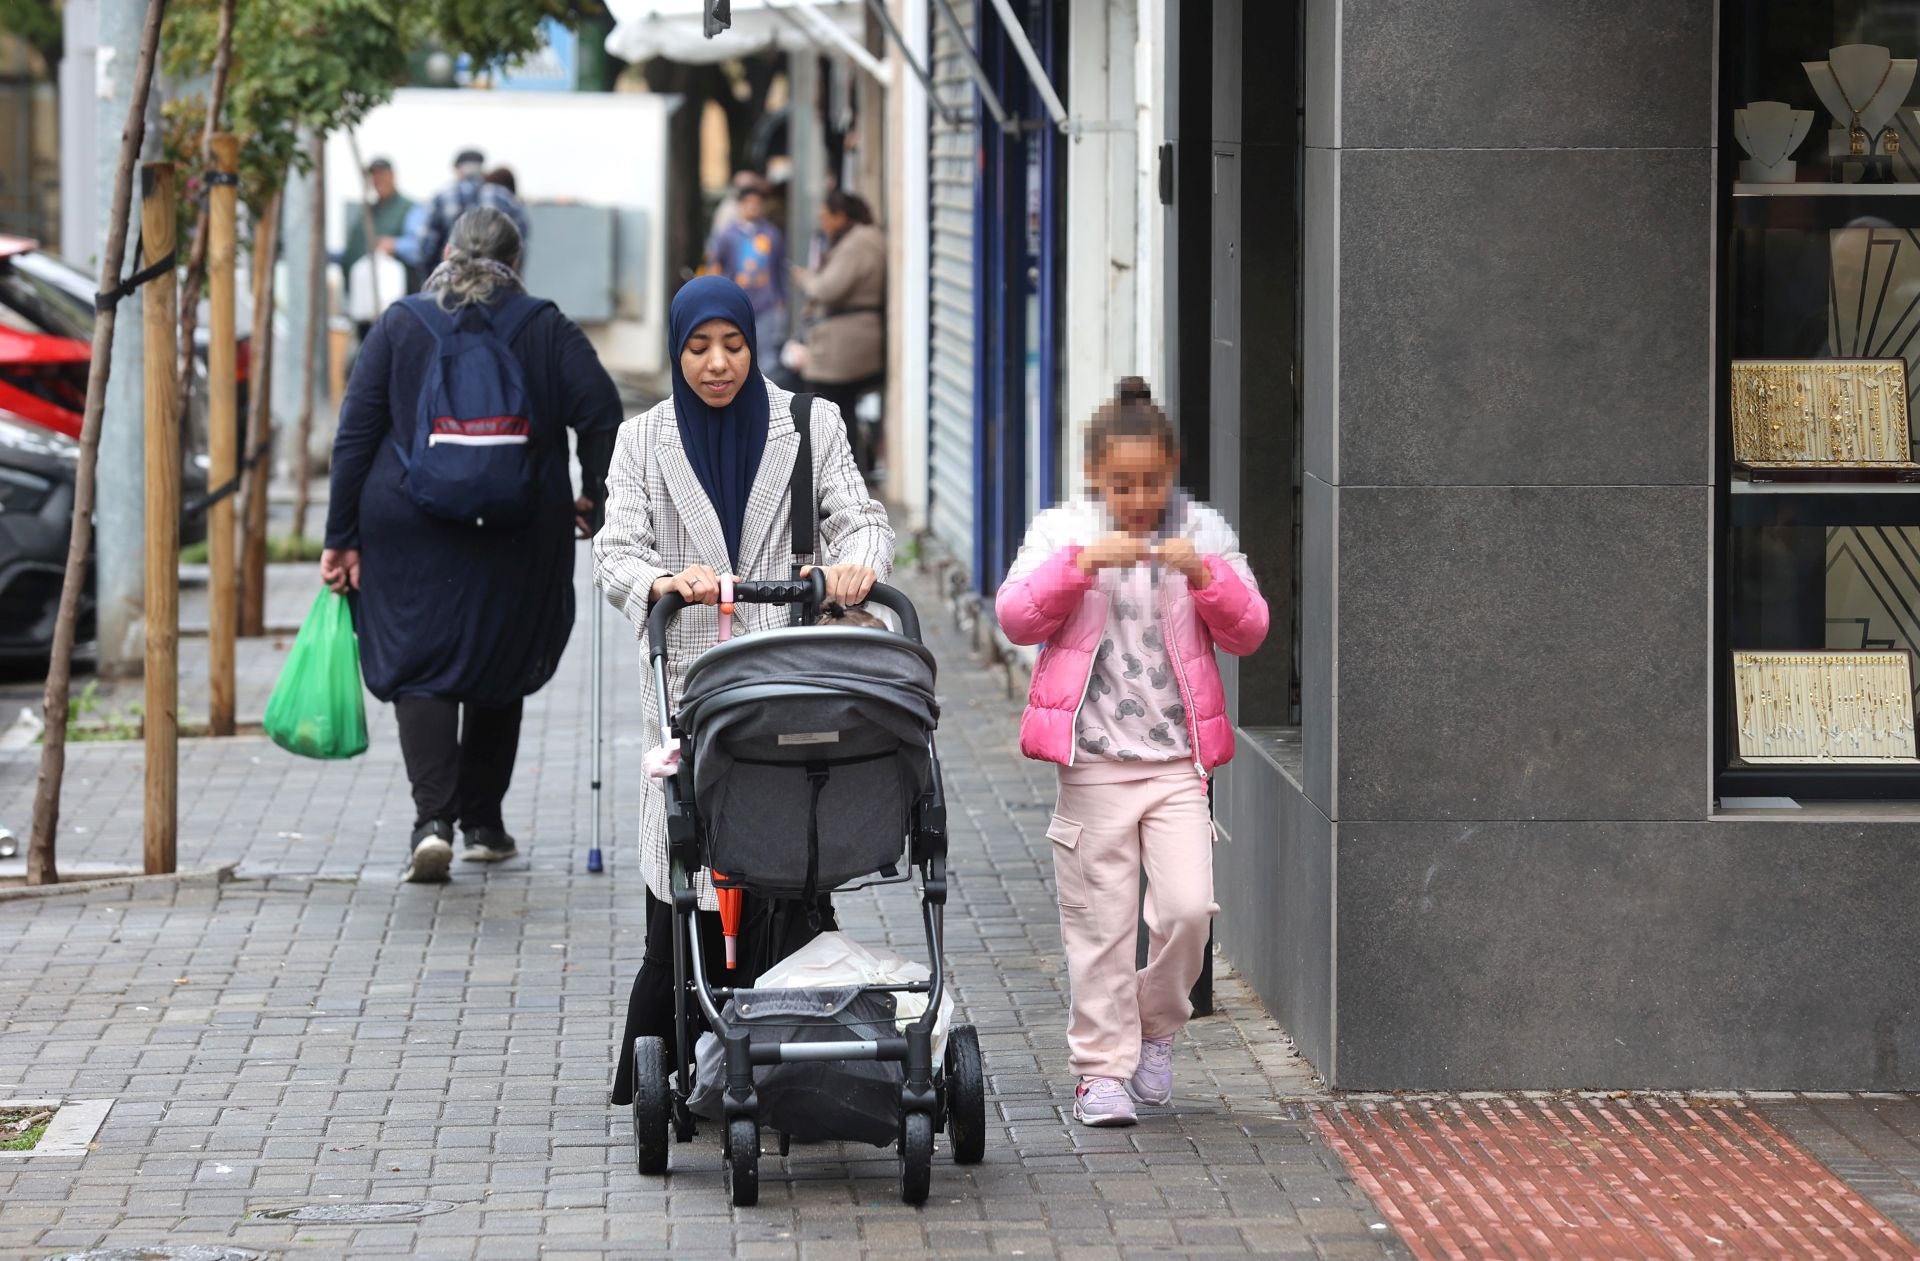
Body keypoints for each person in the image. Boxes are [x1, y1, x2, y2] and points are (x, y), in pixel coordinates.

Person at [595, 276, 895, 1102]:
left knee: (791, 871)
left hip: (795, 687)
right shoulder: (641, 442)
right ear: (676, 349)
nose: (717, 363)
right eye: (698, 348)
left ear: (753, 344)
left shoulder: (808, 422)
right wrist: (660, 579)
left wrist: (856, 564)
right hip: (690, 693)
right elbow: (612, 547)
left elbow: (862, 518)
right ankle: (675, 1062)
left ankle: (796, 1062)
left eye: (732, 345)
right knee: (686, 888)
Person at [993, 378, 1270, 1127]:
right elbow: (1015, 615)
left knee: (1187, 910)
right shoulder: (1062, 531)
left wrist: (1205, 576)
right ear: (1094, 475)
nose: (1138, 497)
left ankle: (1154, 1024)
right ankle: (1101, 1072)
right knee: (1099, 926)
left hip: (1179, 762)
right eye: (1122, 483)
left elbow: (1251, 630)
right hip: (1092, 765)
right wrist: (1079, 564)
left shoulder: (1201, 532)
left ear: (1173, 466)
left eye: (1151, 480)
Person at [321, 207, 624, 884]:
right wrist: (596, 497)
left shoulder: (401, 324)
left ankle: (433, 822)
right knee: (498, 658)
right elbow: (601, 411)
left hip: (406, 526)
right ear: (517, 260)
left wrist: (340, 537)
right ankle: (484, 824)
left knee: (423, 667)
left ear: (450, 251)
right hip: (519, 523)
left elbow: (355, 433)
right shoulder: (544, 325)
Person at [791, 191, 886, 469]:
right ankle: (845, 469)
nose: (822, 223)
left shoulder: (858, 244)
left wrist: (805, 279)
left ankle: (841, 470)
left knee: (830, 407)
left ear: (840, 216)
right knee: (840, 410)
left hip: (846, 346)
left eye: (825, 217)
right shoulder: (863, 240)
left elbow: (827, 289)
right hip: (849, 340)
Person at [703, 180, 788, 363]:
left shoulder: (772, 233)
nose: (753, 208)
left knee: (767, 354)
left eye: (757, 204)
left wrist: (782, 298)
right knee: (737, 350)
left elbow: (779, 268)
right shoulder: (727, 234)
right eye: (748, 203)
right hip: (735, 302)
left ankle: (765, 391)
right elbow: (715, 264)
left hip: (767, 303)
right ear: (740, 205)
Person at [339, 157, 416, 328]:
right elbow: (350, 251)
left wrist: (395, 245)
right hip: (365, 307)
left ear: (392, 176)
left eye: (381, 175)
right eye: (373, 176)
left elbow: (419, 247)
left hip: (395, 308)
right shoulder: (367, 212)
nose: (377, 180)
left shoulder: (409, 208)